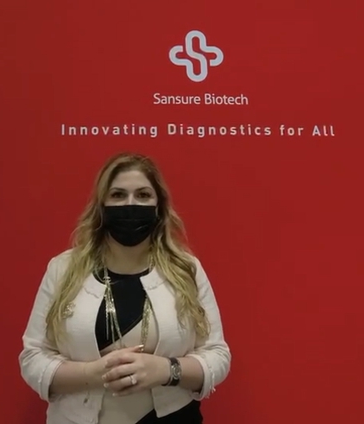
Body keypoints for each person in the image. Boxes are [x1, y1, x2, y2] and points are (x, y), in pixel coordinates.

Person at [19, 152, 231, 424]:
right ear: (102, 205)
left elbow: (217, 354)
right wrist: (95, 374)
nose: (130, 204)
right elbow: (33, 357)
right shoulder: (62, 269)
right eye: (118, 195)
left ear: (159, 206)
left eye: (143, 195)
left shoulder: (187, 269)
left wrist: (167, 370)